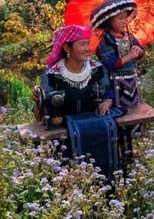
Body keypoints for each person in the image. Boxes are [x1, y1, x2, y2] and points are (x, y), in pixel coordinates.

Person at [31, 24, 121, 179]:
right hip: (65, 135)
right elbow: (40, 115)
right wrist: (37, 104)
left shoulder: (97, 69)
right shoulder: (53, 75)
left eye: (88, 43)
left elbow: (109, 91)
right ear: (67, 48)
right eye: (82, 44)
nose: (88, 48)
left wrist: (107, 102)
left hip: (96, 123)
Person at [91, 0, 146, 110]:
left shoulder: (130, 37)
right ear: (109, 21)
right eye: (120, 18)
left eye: (126, 18)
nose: (124, 22)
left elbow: (141, 53)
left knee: (135, 110)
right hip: (114, 83)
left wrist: (139, 51)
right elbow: (110, 63)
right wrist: (130, 56)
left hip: (132, 81)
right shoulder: (106, 41)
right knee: (119, 112)